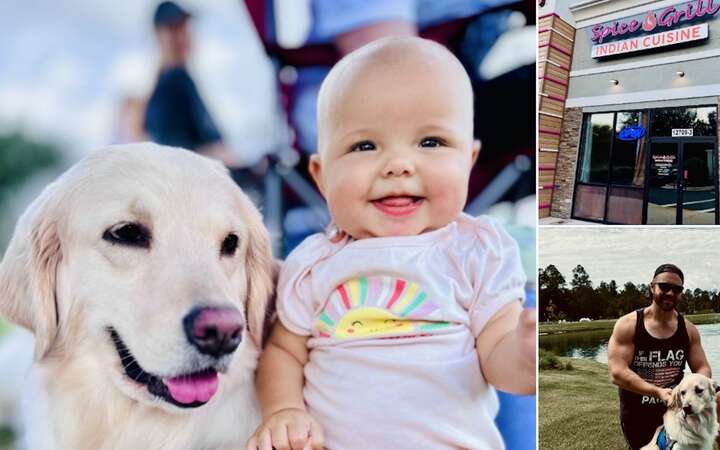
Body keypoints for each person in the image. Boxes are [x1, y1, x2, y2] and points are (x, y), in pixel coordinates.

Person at [245, 37, 536, 450]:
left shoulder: (476, 251)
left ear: (468, 162)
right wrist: (283, 411)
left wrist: (525, 357)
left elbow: (499, 362)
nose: (399, 165)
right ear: (321, 175)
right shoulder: (314, 262)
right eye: (365, 146)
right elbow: (284, 354)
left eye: (431, 142)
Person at [608, 264, 720, 450]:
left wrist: (688, 389)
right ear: (652, 286)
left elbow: (703, 368)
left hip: (678, 401)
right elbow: (617, 373)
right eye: (664, 287)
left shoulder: (688, 330)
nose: (670, 293)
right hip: (641, 406)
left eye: (676, 289)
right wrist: (657, 392)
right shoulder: (628, 325)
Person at [143, 1, 239, 167]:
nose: (182, 35)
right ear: (158, 35)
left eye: (184, 27)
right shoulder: (174, 82)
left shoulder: (177, 80)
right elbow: (174, 154)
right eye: (173, 28)